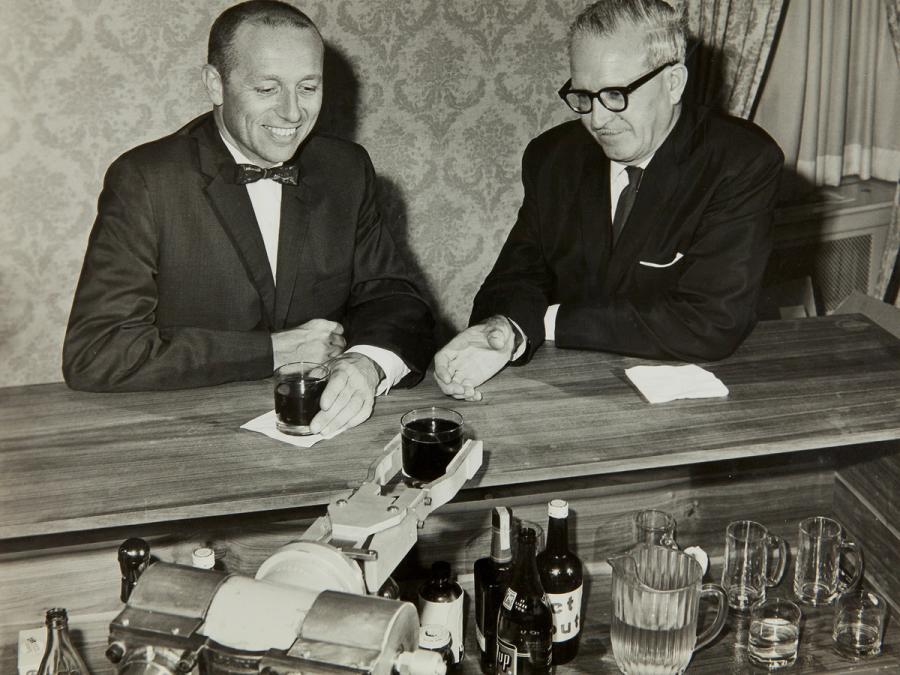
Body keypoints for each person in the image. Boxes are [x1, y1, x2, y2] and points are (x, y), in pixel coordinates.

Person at [63, 0, 433, 437]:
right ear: (215, 85)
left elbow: (395, 298)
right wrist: (271, 351)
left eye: (308, 87)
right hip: (187, 436)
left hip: (328, 430)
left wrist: (366, 363)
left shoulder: (346, 169)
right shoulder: (146, 179)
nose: (293, 113)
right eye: (267, 89)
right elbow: (98, 352)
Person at [435, 0, 783, 401]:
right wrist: (504, 327)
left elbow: (709, 322)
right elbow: (516, 275)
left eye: (616, 94)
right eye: (583, 96)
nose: (598, 120)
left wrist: (541, 322)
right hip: (574, 391)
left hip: (697, 396)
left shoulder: (740, 162)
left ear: (673, 83)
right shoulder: (553, 158)